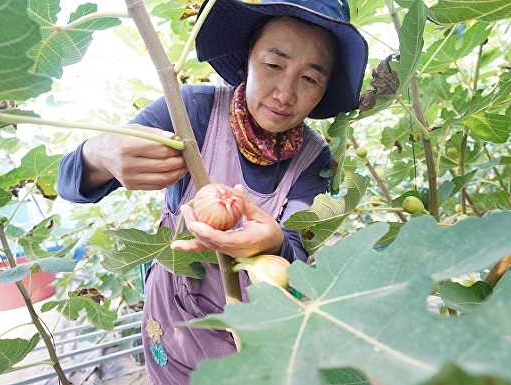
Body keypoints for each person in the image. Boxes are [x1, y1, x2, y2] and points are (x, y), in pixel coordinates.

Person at [57, 0, 368, 383]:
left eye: (309, 79)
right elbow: (68, 180)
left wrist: (273, 242)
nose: (285, 93)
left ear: (322, 91)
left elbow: (298, 245)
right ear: (247, 60)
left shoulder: (313, 155)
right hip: (175, 321)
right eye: (274, 65)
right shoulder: (193, 111)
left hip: (253, 331)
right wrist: (100, 153)